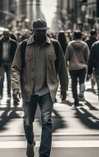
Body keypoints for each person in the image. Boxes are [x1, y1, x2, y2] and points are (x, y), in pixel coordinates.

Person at [11, 19, 68, 157]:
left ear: (47, 30)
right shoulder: (23, 46)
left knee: (47, 121)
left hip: (48, 90)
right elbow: (15, 68)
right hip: (29, 90)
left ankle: (44, 154)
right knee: (27, 122)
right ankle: (30, 142)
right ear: (32, 31)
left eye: (44, 30)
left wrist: (65, 88)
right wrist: (16, 87)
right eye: (38, 31)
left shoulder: (54, 45)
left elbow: (61, 68)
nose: (41, 33)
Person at [65, 30, 89, 108]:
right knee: (82, 81)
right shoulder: (85, 45)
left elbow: (66, 57)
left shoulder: (70, 45)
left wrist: (65, 65)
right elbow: (87, 57)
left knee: (74, 84)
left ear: (74, 36)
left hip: (72, 67)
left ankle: (76, 101)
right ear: (81, 36)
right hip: (82, 67)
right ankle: (81, 92)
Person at [0, 29, 18, 100]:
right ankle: (0, 94)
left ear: (9, 34)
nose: (7, 36)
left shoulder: (13, 42)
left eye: (8, 34)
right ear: (3, 34)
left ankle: (9, 94)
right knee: (1, 78)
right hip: (2, 63)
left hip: (10, 63)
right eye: (5, 34)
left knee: (9, 79)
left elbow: (16, 53)